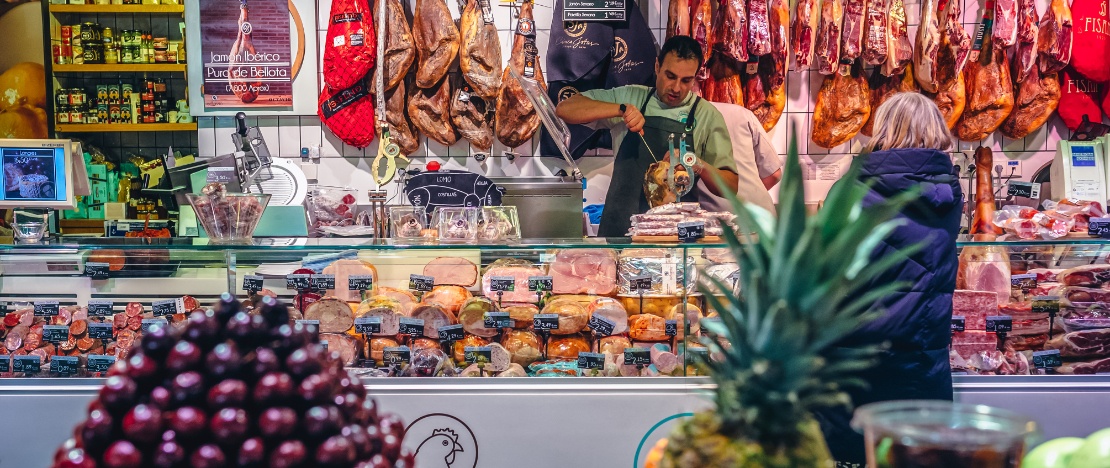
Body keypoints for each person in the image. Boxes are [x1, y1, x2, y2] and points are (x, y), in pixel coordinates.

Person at [812, 92, 963, 466]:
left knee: (851, 456)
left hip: (854, 360)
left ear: (882, 129)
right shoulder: (949, 193)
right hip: (921, 360)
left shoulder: (848, 190)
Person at [555, 35, 739, 237]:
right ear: (657, 66)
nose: (677, 88)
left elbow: (730, 187)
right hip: (621, 232)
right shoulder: (631, 96)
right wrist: (620, 109)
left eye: (686, 80)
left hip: (677, 239)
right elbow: (565, 108)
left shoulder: (707, 116)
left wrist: (698, 164)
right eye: (670, 76)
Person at [700, 102, 783, 214]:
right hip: (761, 217)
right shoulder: (741, 113)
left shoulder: (679, 120)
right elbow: (774, 174)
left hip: (719, 221)